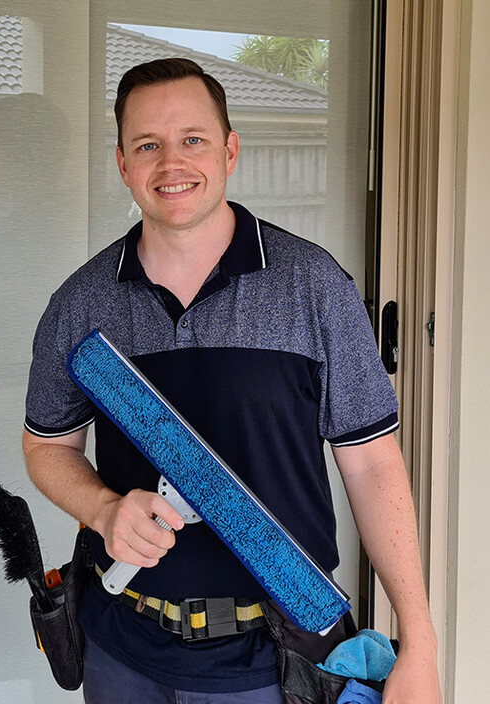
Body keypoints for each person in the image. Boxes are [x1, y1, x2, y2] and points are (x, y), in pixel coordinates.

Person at [22, 58, 441, 703]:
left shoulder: (313, 286)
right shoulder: (81, 304)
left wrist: (418, 638)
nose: (172, 163)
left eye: (193, 139)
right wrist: (104, 509)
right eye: (148, 146)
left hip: (276, 664)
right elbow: (47, 448)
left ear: (229, 150)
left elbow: (371, 463)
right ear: (123, 164)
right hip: (123, 652)